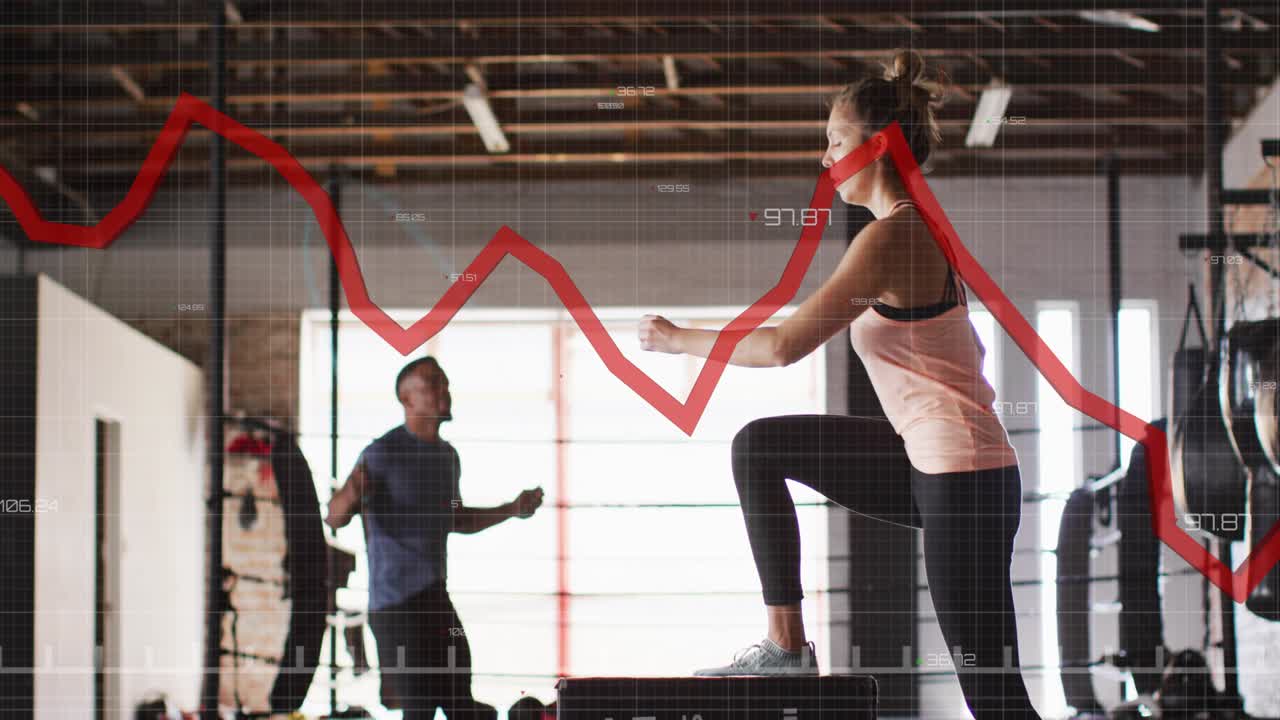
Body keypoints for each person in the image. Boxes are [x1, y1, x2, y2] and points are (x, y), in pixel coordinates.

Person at [638, 49, 1041, 719]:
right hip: (932, 465)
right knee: (760, 449)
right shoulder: (898, 231)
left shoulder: (894, 236)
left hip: (964, 478)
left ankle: (787, 647)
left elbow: (783, 347)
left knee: (994, 698)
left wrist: (679, 339)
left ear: (877, 146)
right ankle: (787, 646)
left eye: (835, 140)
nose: (825, 160)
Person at [326, 356, 544, 720]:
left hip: (434, 598)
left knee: (462, 703)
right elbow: (334, 516)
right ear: (407, 399)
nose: (444, 391)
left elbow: (456, 517)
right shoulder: (382, 454)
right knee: (420, 710)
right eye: (432, 384)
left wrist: (511, 508)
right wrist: (351, 492)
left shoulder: (447, 458)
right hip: (396, 608)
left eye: (445, 383)